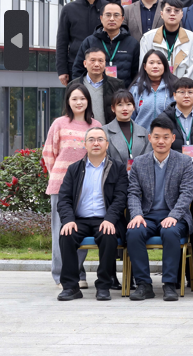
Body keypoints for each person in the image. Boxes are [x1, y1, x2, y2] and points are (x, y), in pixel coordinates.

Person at [124, 114, 193, 301]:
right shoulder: (139, 162)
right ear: (150, 138)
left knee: (170, 232)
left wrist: (173, 216)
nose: (161, 141)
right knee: (134, 232)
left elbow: (186, 194)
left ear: (173, 138)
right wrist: (136, 215)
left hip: (174, 215)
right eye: (156, 137)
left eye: (165, 137)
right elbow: (133, 193)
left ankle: (170, 284)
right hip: (147, 215)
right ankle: (143, 284)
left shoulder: (184, 162)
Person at [55, 126, 126, 301]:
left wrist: (110, 219)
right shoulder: (74, 169)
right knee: (67, 234)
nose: (96, 143)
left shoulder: (117, 168)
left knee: (108, 235)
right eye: (91, 140)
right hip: (79, 220)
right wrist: (68, 220)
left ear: (107, 144)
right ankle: (71, 287)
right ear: (85, 145)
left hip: (105, 219)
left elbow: (120, 198)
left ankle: (103, 285)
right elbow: (63, 198)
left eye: (100, 139)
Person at [43, 85, 103, 288]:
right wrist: (58, 174)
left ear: (88, 101)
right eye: (74, 98)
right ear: (68, 101)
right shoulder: (59, 124)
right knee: (61, 232)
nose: (79, 102)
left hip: (87, 188)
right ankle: (61, 275)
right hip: (61, 186)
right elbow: (48, 153)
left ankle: (77, 272)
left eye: (82, 98)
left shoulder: (95, 125)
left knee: (80, 230)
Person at [71, 2, 140, 84]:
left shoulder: (132, 43)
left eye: (116, 15)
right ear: (101, 18)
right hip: (94, 89)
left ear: (122, 19)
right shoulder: (89, 42)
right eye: (108, 15)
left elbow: (136, 73)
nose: (112, 19)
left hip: (123, 91)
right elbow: (78, 70)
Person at [137, 0, 193, 79]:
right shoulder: (147, 38)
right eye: (168, 10)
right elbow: (143, 68)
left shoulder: (192, 38)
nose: (172, 14)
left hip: (182, 86)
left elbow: (192, 70)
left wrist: (180, 86)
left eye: (176, 11)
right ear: (161, 14)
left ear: (182, 15)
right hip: (155, 85)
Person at [69, 46, 127, 125]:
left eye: (100, 61)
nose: (96, 64)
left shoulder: (117, 84)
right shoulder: (73, 85)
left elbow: (123, 109)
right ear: (85, 63)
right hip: (81, 130)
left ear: (105, 63)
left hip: (109, 130)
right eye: (92, 60)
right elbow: (67, 111)